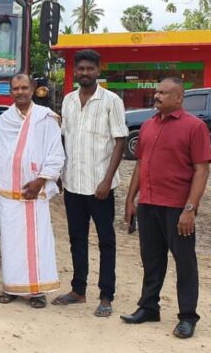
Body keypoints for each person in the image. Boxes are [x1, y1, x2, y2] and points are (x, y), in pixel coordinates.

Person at [121, 77, 211, 339]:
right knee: (152, 259)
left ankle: (188, 317)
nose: (157, 96)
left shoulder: (195, 127)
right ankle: (149, 307)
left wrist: (190, 209)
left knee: (185, 262)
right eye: (157, 92)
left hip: (177, 208)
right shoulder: (148, 125)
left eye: (163, 93)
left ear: (179, 97)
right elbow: (141, 164)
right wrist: (131, 199)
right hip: (148, 204)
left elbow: (202, 170)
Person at [53, 49, 127, 317]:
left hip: (100, 187)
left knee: (106, 241)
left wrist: (107, 180)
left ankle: (106, 295)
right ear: (76, 71)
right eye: (81, 69)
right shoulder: (69, 100)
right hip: (73, 183)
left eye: (90, 69)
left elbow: (120, 141)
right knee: (77, 239)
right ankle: (78, 290)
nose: (85, 73)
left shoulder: (111, 101)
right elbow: (64, 138)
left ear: (98, 70)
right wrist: (59, 174)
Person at [0, 73, 64, 309]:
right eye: (16, 88)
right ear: (10, 91)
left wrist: (40, 181)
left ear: (32, 89)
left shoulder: (45, 118)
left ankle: (37, 291)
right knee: (11, 243)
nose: (20, 92)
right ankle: (11, 286)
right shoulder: (5, 119)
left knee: (37, 242)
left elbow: (55, 153)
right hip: (9, 193)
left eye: (24, 88)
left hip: (35, 191)